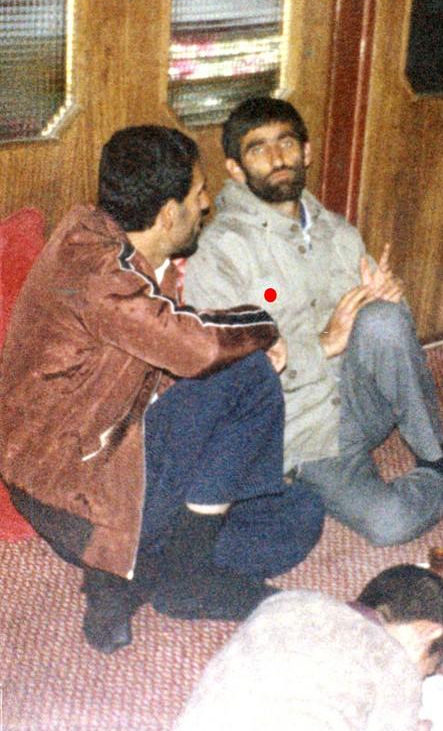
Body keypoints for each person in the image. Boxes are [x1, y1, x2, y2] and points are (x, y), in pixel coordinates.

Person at [0, 125, 324, 655]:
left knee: (299, 512)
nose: (207, 203)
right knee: (247, 374)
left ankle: (133, 577)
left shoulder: (101, 236)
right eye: (199, 192)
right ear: (169, 213)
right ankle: (183, 574)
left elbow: (162, 348)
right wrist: (260, 326)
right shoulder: (99, 273)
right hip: (77, 493)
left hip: (106, 453)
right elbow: (194, 348)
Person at [183, 96, 443, 546]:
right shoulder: (219, 253)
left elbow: (386, 340)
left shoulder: (339, 233)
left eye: (287, 142)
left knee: (384, 318)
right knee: (388, 524)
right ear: (235, 169)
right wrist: (322, 343)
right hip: (301, 430)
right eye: (258, 148)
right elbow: (226, 373)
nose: (277, 157)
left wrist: (388, 300)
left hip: (364, 400)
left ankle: (435, 453)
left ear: (306, 152)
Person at [166, 563, 443, 731]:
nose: (419, 679)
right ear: (428, 632)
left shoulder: (284, 602)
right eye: (425, 670)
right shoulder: (396, 661)